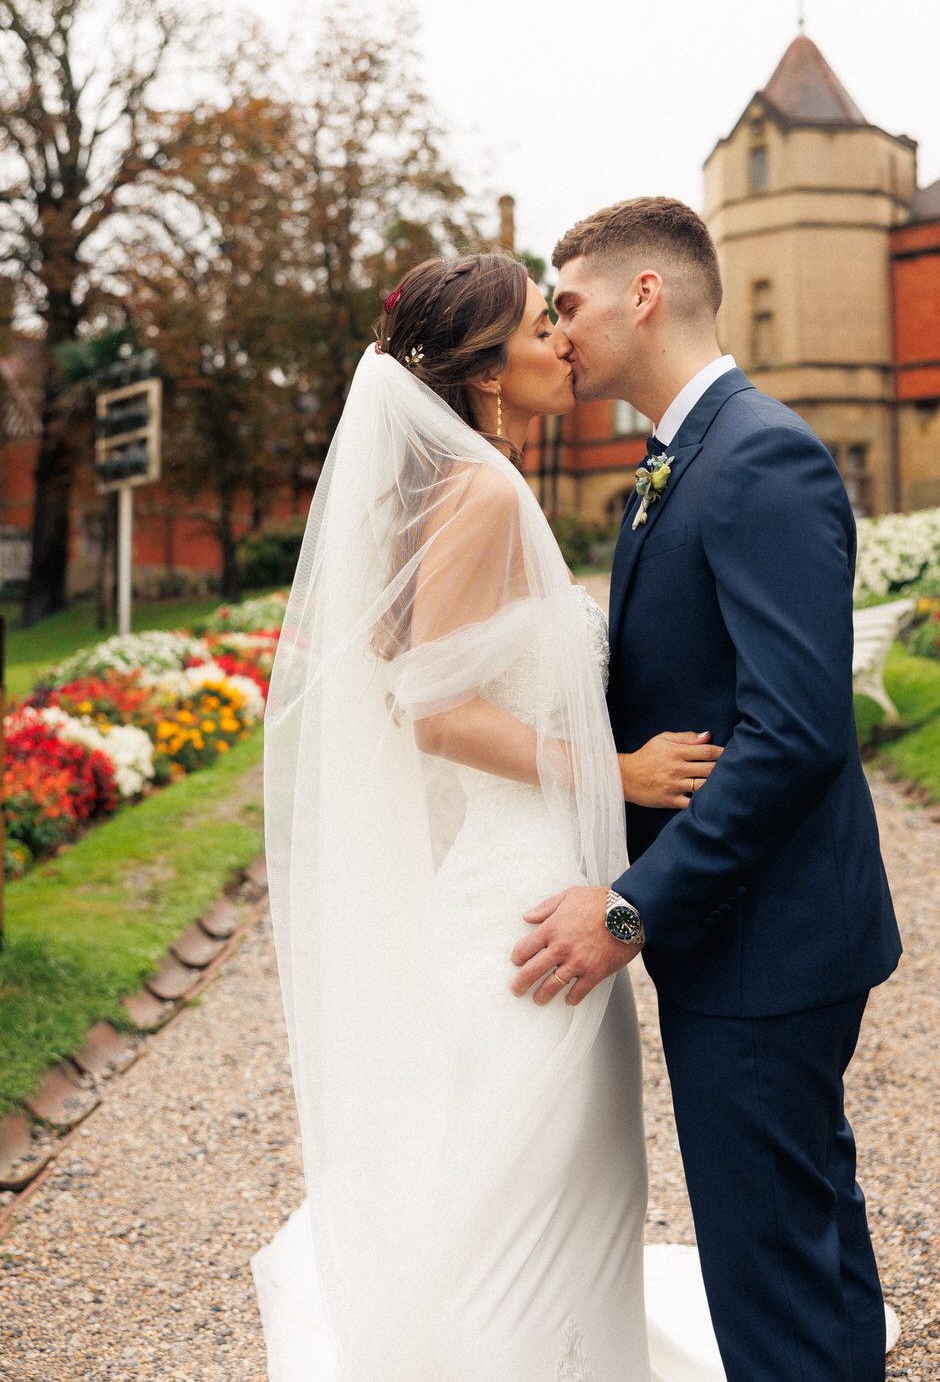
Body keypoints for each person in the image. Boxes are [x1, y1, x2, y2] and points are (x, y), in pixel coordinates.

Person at [252, 251, 722, 1381]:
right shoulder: (483, 493)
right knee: (535, 1198)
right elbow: (434, 710)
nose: (564, 339)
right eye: (537, 327)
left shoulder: (474, 487)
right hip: (525, 903)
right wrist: (615, 771)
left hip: (527, 879)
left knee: (567, 1188)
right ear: (484, 371)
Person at [511, 197, 903, 1382]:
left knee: (770, 1272)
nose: (556, 328)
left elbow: (794, 733)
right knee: (797, 1241)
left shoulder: (758, 453)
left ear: (645, 294)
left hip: (764, 942)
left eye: (566, 301)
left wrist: (634, 906)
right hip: (746, 941)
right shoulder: (680, 457)